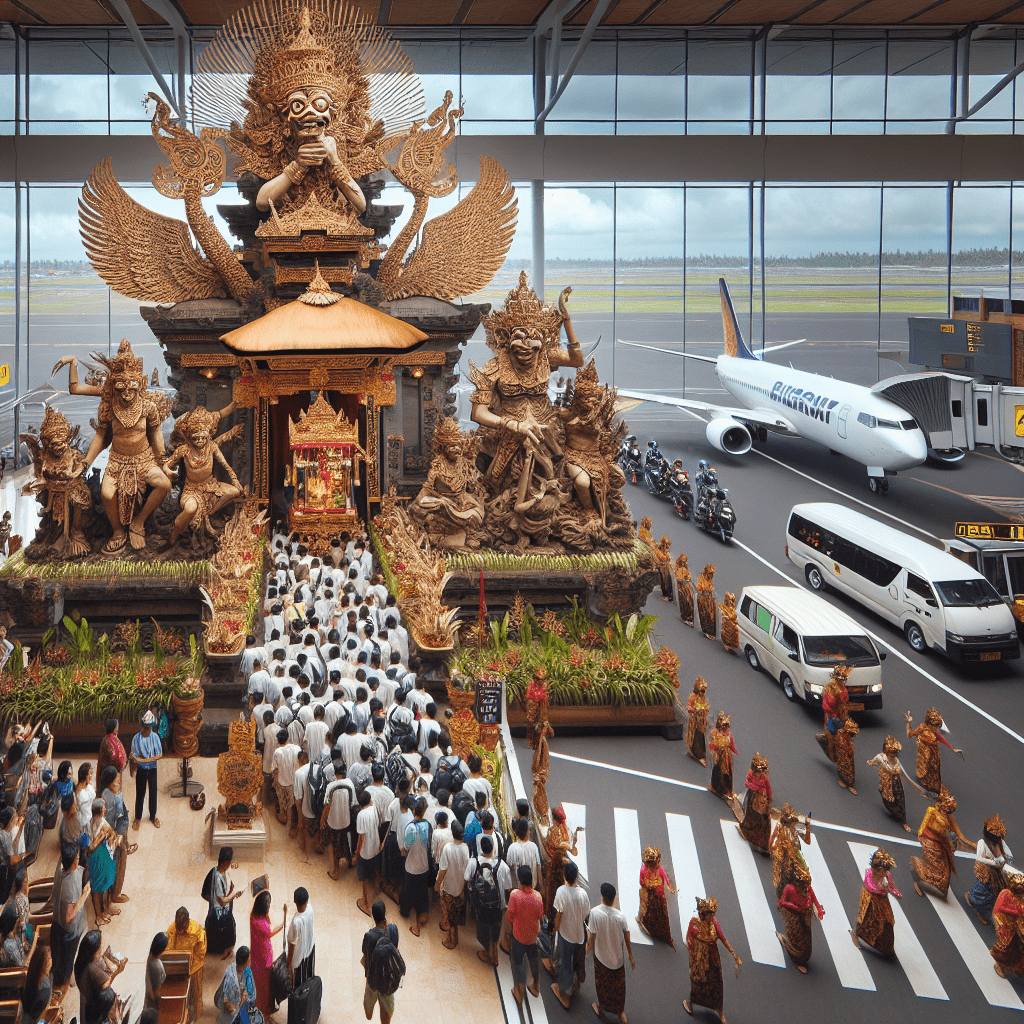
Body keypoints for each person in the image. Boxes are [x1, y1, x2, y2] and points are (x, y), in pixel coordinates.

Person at [683, 896, 741, 1024]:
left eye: (712, 914)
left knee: (717, 984)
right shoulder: (694, 922)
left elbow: (723, 938)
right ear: (703, 913)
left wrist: (734, 954)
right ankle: (691, 1002)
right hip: (699, 958)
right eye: (708, 914)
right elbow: (688, 939)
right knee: (698, 981)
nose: (710, 917)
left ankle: (719, 1010)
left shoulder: (715, 924)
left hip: (713, 958)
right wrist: (693, 955)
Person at [910, 786, 973, 899]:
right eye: (946, 810)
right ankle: (920, 882)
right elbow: (924, 823)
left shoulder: (948, 818)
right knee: (935, 866)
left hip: (940, 843)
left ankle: (930, 879)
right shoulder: (932, 811)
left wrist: (953, 844)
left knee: (944, 871)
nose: (947, 813)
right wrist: (920, 834)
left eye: (949, 811)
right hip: (929, 840)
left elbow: (950, 832)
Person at [543, 858, 588, 1009]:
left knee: (565, 964)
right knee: (575, 962)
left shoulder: (561, 891)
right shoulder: (582, 893)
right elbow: (586, 915)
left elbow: (559, 915)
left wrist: (555, 928)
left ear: (564, 875)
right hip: (580, 936)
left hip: (566, 935)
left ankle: (563, 992)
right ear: (576, 877)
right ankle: (574, 983)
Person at [588, 882, 634, 1024]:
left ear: (602, 897)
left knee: (602, 986)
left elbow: (592, 935)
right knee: (619, 989)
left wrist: (589, 948)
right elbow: (627, 934)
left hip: (601, 958)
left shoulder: (595, 913)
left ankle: (601, 1007)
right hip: (617, 961)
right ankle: (620, 1012)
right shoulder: (620, 917)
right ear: (614, 898)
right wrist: (631, 956)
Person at [51, 843, 91, 999]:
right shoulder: (70, 887)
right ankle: (62, 989)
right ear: (75, 861)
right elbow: (69, 916)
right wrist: (84, 895)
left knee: (59, 959)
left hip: (56, 921)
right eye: (77, 856)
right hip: (67, 931)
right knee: (66, 962)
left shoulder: (61, 870)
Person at [866, 735, 925, 832]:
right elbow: (873, 762)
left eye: (895, 754)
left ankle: (903, 821)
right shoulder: (881, 758)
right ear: (887, 752)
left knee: (901, 803)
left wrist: (919, 789)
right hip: (886, 785)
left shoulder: (897, 762)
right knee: (888, 802)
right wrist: (870, 763)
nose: (894, 756)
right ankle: (895, 813)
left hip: (897, 785)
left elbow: (906, 776)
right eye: (892, 754)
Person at [466, 835, 509, 968]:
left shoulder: (474, 862)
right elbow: (507, 887)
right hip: (497, 905)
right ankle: (494, 953)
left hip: (481, 904)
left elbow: (467, 878)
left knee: (483, 928)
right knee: (495, 927)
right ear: (493, 848)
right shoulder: (503, 866)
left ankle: (486, 951)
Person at [851, 848, 902, 957]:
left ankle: (885, 946)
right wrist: (884, 889)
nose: (882, 872)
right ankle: (858, 934)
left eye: (884, 870)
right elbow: (871, 888)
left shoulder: (887, 875)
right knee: (867, 919)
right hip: (870, 899)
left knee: (889, 921)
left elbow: (892, 886)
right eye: (880, 870)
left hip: (882, 900)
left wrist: (896, 893)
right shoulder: (869, 873)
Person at [506, 865, 544, 1009]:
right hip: (533, 936)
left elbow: (510, 916)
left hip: (519, 936)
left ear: (520, 881)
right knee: (533, 960)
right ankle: (535, 985)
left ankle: (519, 991)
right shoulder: (538, 896)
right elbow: (540, 915)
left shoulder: (515, 895)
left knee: (518, 963)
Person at [775, 863, 824, 972]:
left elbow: (814, 899)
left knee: (807, 940)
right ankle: (796, 957)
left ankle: (801, 956)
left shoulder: (807, 888)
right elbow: (782, 902)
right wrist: (794, 907)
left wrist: (819, 909)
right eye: (802, 885)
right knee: (798, 941)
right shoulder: (790, 888)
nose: (805, 888)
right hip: (795, 918)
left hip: (805, 917)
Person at [361, 899, 404, 1024]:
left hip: (373, 979)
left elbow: (365, 956)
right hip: (388, 982)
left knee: (368, 1013)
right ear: (385, 914)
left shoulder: (369, 936)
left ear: (373, 916)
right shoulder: (392, 930)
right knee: (386, 1018)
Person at [966, 813, 1014, 924]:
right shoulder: (982, 843)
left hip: (996, 872)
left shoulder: (1000, 843)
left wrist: (1003, 858)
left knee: (994, 892)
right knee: (981, 892)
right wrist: (993, 862)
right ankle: (977, 905)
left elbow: (1009, 855)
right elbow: (979, 858)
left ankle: (990, 908)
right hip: (985, 872)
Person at [906, 707, 964, 796]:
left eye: (938, 726)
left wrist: (952, 749)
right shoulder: (922, 727)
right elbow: (910, 734)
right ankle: (923, 785)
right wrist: (908, 722)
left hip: (934, 753)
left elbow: (941, 739)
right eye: (935, 726)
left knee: (934, 769)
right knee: (924, 768)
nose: (937, 728)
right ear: (929, 724)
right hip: (924, 751)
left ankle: (933, 787)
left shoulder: (935, 732)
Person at [74, 929, 127, 1024]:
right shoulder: (92, 968)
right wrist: (117, 971)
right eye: (99, 946)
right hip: (94, 1005)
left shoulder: (80, 961)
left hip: (86, 999)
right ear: (95, 949)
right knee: (109, 995)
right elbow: (105, 986)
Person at [99, 765, 135, 904]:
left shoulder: (108, 794)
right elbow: (118, 819)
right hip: (114, 839)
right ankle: (114, 895)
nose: (118, 783)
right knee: (116, 867)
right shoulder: (111, 798)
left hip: (116, 836)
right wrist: (120, 836)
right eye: (116, 781)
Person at [165, 907, 207, 1021]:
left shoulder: (197, 932)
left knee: (196, 994)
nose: (179, 932)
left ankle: (197, 1017)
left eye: (182, 929)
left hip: (194, 968)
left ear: (187, 923)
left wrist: (190, 970)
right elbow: (168, 949)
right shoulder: (172, 929)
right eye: (178, 929)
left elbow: (200, 955)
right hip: (177, 967)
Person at [86, 798, 123, 925]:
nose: (105, 810)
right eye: (103, 809)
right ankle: (99, 914)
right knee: (99, 887)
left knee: (103, 885)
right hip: (101, 857)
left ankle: (105, 909)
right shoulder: (102, 823)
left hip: (99, 856)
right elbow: (112, 839)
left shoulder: (91, 822)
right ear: (101, 812)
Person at [435, 819, 470, 950]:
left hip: (448, 888)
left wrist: (438, 884)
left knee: (449, 915)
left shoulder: (448, 848)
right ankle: (453, 938)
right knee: (455, 915)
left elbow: (443, 870)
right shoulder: (465, 848)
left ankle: (452, 940)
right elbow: (466, 870)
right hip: (459, 888)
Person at [399, 798, 432, 937]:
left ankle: (406, 912)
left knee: (408, 890)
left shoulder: (411, 828)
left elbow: (406, 848)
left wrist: (403, 851)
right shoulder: (428, 825)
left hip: (411, 866)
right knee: (422, 892)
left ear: (414, 810)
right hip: (424, 866)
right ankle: (423, 912)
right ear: (424, 811)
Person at [249, 889, 284, 1017]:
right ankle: (264, 1011)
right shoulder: (263, 924)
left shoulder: (253, 916)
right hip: (264, 958)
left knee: (259, 985)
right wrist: (282, 924)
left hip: (256, 954)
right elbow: (271, 932)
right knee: (265, 987)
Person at [542, 805, 580, 922]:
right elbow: (574, 852)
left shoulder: (551, 831)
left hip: (553, 867)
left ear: (553, 819)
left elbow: (547, 847)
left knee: (551, 893)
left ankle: (550, 917)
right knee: (561, 894)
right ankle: (559, 916)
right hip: (562, 870)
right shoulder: (566, 833)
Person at [637, 845, 677, 948]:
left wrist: (671, 887)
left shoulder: (660, 869)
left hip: (659, 896)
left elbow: (665, 878)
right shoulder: (643, 869)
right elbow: (641, 882)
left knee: (662, 915)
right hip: (649, 895)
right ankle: (643, 921)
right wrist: (647, 885)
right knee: (647, 910)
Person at [207, 847, 243, 961]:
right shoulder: (217, 879)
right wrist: (233, 896)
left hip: (220, 908)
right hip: (220, 912)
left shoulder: (216, 871)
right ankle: (223, 951)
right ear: (226, 863)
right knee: (226, 932)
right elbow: (221, 900)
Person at [132, 710, 163, 830]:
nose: (143, 730)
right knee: (140, 793)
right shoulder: (137, 738)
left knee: (153, 792)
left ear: (150, 728)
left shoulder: (155, 737)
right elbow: (134, 755)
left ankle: (153, 815)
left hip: (152, 768)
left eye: (146, 728)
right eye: (143, 727)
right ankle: (138, 817)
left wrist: (145, 760)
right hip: (141, 769)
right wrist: (138, 763)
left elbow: (159, 755)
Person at [990, 871, 1024, 979]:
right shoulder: (1005, 893)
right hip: (1004, 921)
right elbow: (1000, 908)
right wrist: (1016, 912)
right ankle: (999, 964)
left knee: (1019, 945)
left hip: (1017, 923)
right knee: (1005, 945)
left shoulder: (1021, 896)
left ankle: (1017, 966)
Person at [738, 753, 772, 854]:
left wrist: (768, 800)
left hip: (760, 802)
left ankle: (761, 842)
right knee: (753, 817)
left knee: (761, 820)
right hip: (754, 800)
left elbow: (767, 790)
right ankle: (751, 835)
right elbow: (751, 784)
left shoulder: (763, 780)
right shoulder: (752, 774)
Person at [355, 791, 382, 917]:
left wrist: (357, 853)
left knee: (363, 878)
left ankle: (365, 903)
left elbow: (361, 837)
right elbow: (379, 821)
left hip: (365, 850)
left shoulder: (361, 815)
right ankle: (377, 888)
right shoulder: (375, 807)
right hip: (376, 845)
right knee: (375, 869)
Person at [215, 946, 255, 1024]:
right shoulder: (232, 977)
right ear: (246, 961)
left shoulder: (242, 971)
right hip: (230, 1016)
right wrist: (235, 1011)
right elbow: (227, 1001)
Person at [708, 711, 738, 810]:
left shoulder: (729, 735)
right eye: (723, 726)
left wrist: (733, 750)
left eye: (726, 726)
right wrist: (718, 747)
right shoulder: (715, 733)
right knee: (718, 772)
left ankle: (727, 790)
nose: (725, 728)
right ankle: (716, 788)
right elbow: (712, 745)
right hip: (719, 758)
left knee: (728, 773)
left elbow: (732, 745)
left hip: (727, 758)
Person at [287, 886, 315, 987]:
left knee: (298, 984)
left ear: (295, 902)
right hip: (310, 947)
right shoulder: (310, 909)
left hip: (299, 957)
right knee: (309, 973)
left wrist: (289, 964)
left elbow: (292, 944)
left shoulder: (296, 922)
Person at [96, 719, 127, 790]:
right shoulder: (110, 741)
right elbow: (117, 758)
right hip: (110, 776)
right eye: (117, 727)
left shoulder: (110, 739)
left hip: (114, 774)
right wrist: (123, 763)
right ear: (114, 729)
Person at [685, 677, 709, 765]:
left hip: (701, 722)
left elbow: (706, 707)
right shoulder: (693, 697)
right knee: (695, 737)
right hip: (694, 722)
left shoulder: (702, 698)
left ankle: (701, 753)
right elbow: (689, 707)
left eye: (704, 691)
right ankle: (696, 752)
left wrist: (705, 710)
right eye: (701, 691)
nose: (702, 693)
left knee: (701, 736)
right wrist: (694, 710)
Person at [145, 932, 168, 1011]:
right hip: (152, 998)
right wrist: (158, 1003)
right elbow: (156, 991)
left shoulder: (148, 958)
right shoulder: (157, 965)